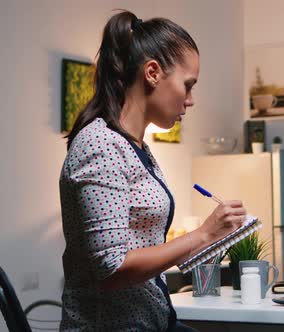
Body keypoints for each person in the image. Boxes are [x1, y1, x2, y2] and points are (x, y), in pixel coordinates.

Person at [59, 10, 246, 331]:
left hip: (152, 320)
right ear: (153, 72)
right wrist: (203, 233)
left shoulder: (138, 147)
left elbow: (145, 247)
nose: (190, 100)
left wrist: (215, 237)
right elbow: (112, 268)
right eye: (188, 86)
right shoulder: (100, 146)